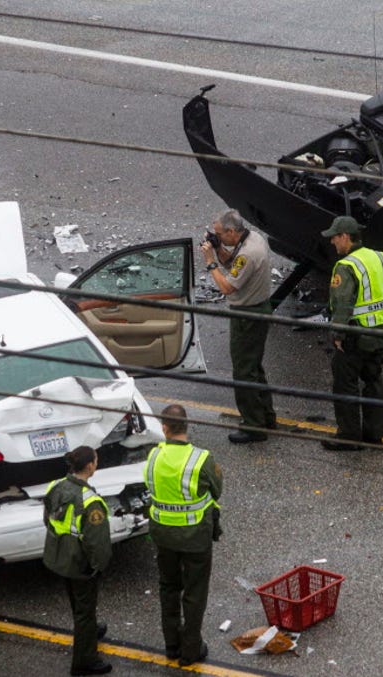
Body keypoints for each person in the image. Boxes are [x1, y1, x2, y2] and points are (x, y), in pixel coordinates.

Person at [144, 404, 223, 667]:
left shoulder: (153, 456)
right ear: (186, 426)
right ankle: (190, 650)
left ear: (164, 428)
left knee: (168, 587)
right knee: (194, 591)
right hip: (195, 536)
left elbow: (149, 485)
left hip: (163, 535)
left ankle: (171, 645)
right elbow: (217, 490)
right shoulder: (201, 459)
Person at [200, 208, 276, 443]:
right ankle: (265, 416)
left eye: (220, 234)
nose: (219, 237)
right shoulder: (253, 239)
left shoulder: (248, 254)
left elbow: (227, 287)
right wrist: (219, 248)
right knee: (253, 366)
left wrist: (211, 262)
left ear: (233, 231)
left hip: (247, 315)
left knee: (244, 371)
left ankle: (254, 426)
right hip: (259, 309)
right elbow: (233, 262)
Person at [319, 216, 383, 451]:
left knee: (345, 383)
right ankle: (374, 434)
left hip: (356, 335)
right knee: (373, 381)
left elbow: (343, 305)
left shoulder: (346, 266)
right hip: (380, 331)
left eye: (334, 237)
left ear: (345, 237)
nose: (332, 242)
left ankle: (349, 436)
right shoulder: (378, 257)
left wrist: (337, 335)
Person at [42, 446, 113, 676]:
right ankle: (85, 660)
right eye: (96, 460)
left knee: (76, 600)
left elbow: (48, 519)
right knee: (85, 609)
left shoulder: (55, 486)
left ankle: (89, 630)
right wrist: (98, 566)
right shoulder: (91, 502)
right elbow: (97, 543)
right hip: (79, 562)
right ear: (90, 466)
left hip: (59, 555)